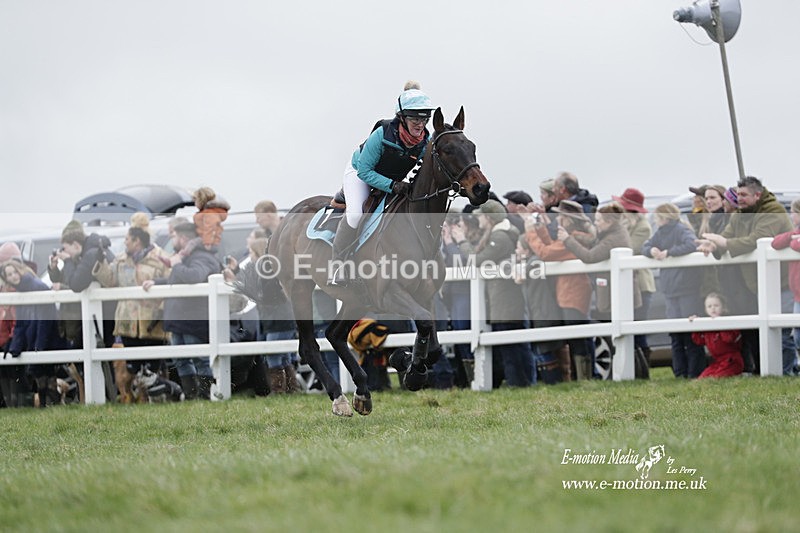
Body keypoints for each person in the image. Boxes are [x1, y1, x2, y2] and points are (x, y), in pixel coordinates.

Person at [330, 81, 434, 284]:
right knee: (356, 214)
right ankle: (338, 265)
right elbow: (364, 171)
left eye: (424, 118)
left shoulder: (424, 142)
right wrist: (393, 186)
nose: (420, 123)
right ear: (402, 118)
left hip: (389, 179)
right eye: (414, 117)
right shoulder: (381, 135)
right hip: (360, 173)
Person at [697, 175, 795, 375]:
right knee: (767, 330)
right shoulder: (740, 214)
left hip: (782, 282)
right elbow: (726, 236)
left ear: (757, 195)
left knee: (784, 332)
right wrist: (714, 245)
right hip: (759, 283)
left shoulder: (773, 211)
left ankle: (787, 373)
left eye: (743, 194)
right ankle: (776, 372)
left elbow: (757, 239)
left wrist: (724, 243)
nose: (738, 198)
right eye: (737, 194)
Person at [458, 200, 535, 387]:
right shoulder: (499, 233)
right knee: (513, 344)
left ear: (489, 218)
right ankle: (521, 382)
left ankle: (519, 383)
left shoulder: (500, 236)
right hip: (503, 297)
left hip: (504, 298)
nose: (478, 219)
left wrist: (461, 242)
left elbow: (478, 260)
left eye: (481, 215)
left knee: (511, 345)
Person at [143, 222, 222, 399]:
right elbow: (178, 279)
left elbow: (193, 276)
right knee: (180, 359)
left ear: (183, 238)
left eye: (173, 236)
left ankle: (205, 396)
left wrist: (177, 264)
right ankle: (191, 395)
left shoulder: (202, 257)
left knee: (199, 359)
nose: (172, 240)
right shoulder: (187, 257)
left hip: (193, 319)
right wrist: (157, 282)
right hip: (180, 318)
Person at [93, 218, 173, 386]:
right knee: (133, 366)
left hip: (153, 321)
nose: (125, 242)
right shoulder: (121, 260)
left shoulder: (161, 259)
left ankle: (157, 397)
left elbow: (171, 282)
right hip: (128, 322)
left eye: (127, 239)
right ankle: (140, 401)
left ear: (137, 241)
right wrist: (101, 261)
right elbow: (110, 281)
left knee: (153, 367)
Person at [525, 200, 594, 380]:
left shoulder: (574, 238)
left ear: (569, 220)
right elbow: (552, 246)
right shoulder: (572, 236)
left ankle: (584, 378)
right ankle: (582, 377)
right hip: (568, 293)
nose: (559, 219)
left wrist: (531, 230)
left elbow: (546, 253)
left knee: (578, 339)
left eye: (562, 216)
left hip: (573, 293)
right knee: (577, 337)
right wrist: (540, 227)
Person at [642, 203, 706, 378]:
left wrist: (669, 252)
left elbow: (691, 245)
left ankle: (694, 373)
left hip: (686, 289)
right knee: (676, 336)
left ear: (663, 217)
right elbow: (645, 246)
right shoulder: (660, 232)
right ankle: (680, 373)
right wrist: (651, 251)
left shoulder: (680, 229)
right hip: (671, 289)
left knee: (691, 336)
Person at [0, 260, 64, 407]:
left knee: (47, 375)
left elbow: (45, 321)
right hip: (35, 338)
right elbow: (21, 323)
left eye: (15, 272)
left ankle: (53, 406)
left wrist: (39, 345)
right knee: (40, 376)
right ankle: (46, 407)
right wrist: (15, 345)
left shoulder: (36, 286)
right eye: (9, 274)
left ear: (20, 270)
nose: (13, 276)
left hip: (45, 338)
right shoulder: (21, 291)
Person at [48, 220, 116, 348]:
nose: (66, 252)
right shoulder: (92, 251)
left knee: (90, 353)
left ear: (75, 245)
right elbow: (66, 278)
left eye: (66, 248)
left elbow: (76, 284)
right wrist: (54, 268)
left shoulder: (91, 254)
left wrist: (68, 261)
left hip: (104, 313)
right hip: (101, 313)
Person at [613, 187, 656, 364]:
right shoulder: (626, 225)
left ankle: (642, 366)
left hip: (641, 284)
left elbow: (630, 248)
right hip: (627, 283)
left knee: (637, 328)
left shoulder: (643, 227)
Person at [770, 198, 800, 358]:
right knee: (797, 336)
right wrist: (791, 238)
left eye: (794, 212)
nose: (791, 216)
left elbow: (797, 246)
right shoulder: (794, 234)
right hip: (797, 295)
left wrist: (794, 241)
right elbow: (775, 243)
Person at [689, 293, 744, 378]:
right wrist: (696, 324)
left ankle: (742, 374)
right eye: (709, 306)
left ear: (723, 307)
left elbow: (728, 338)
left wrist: (720, 323)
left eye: (716, 305)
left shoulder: (729, 322)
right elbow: (698, 340)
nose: (713, 308)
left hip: (732, 361)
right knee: (702, 378)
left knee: (717, 377)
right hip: (717, 362)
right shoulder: (709, 325)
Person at [186, 186, 231, 253]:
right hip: (206, 239)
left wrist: (207, 242)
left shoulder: (209, 213)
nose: (194, 203)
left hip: (208, 242)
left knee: (191, 244)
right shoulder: (208, 212)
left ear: (201, 200)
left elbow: (210, 227)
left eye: (195, 200)